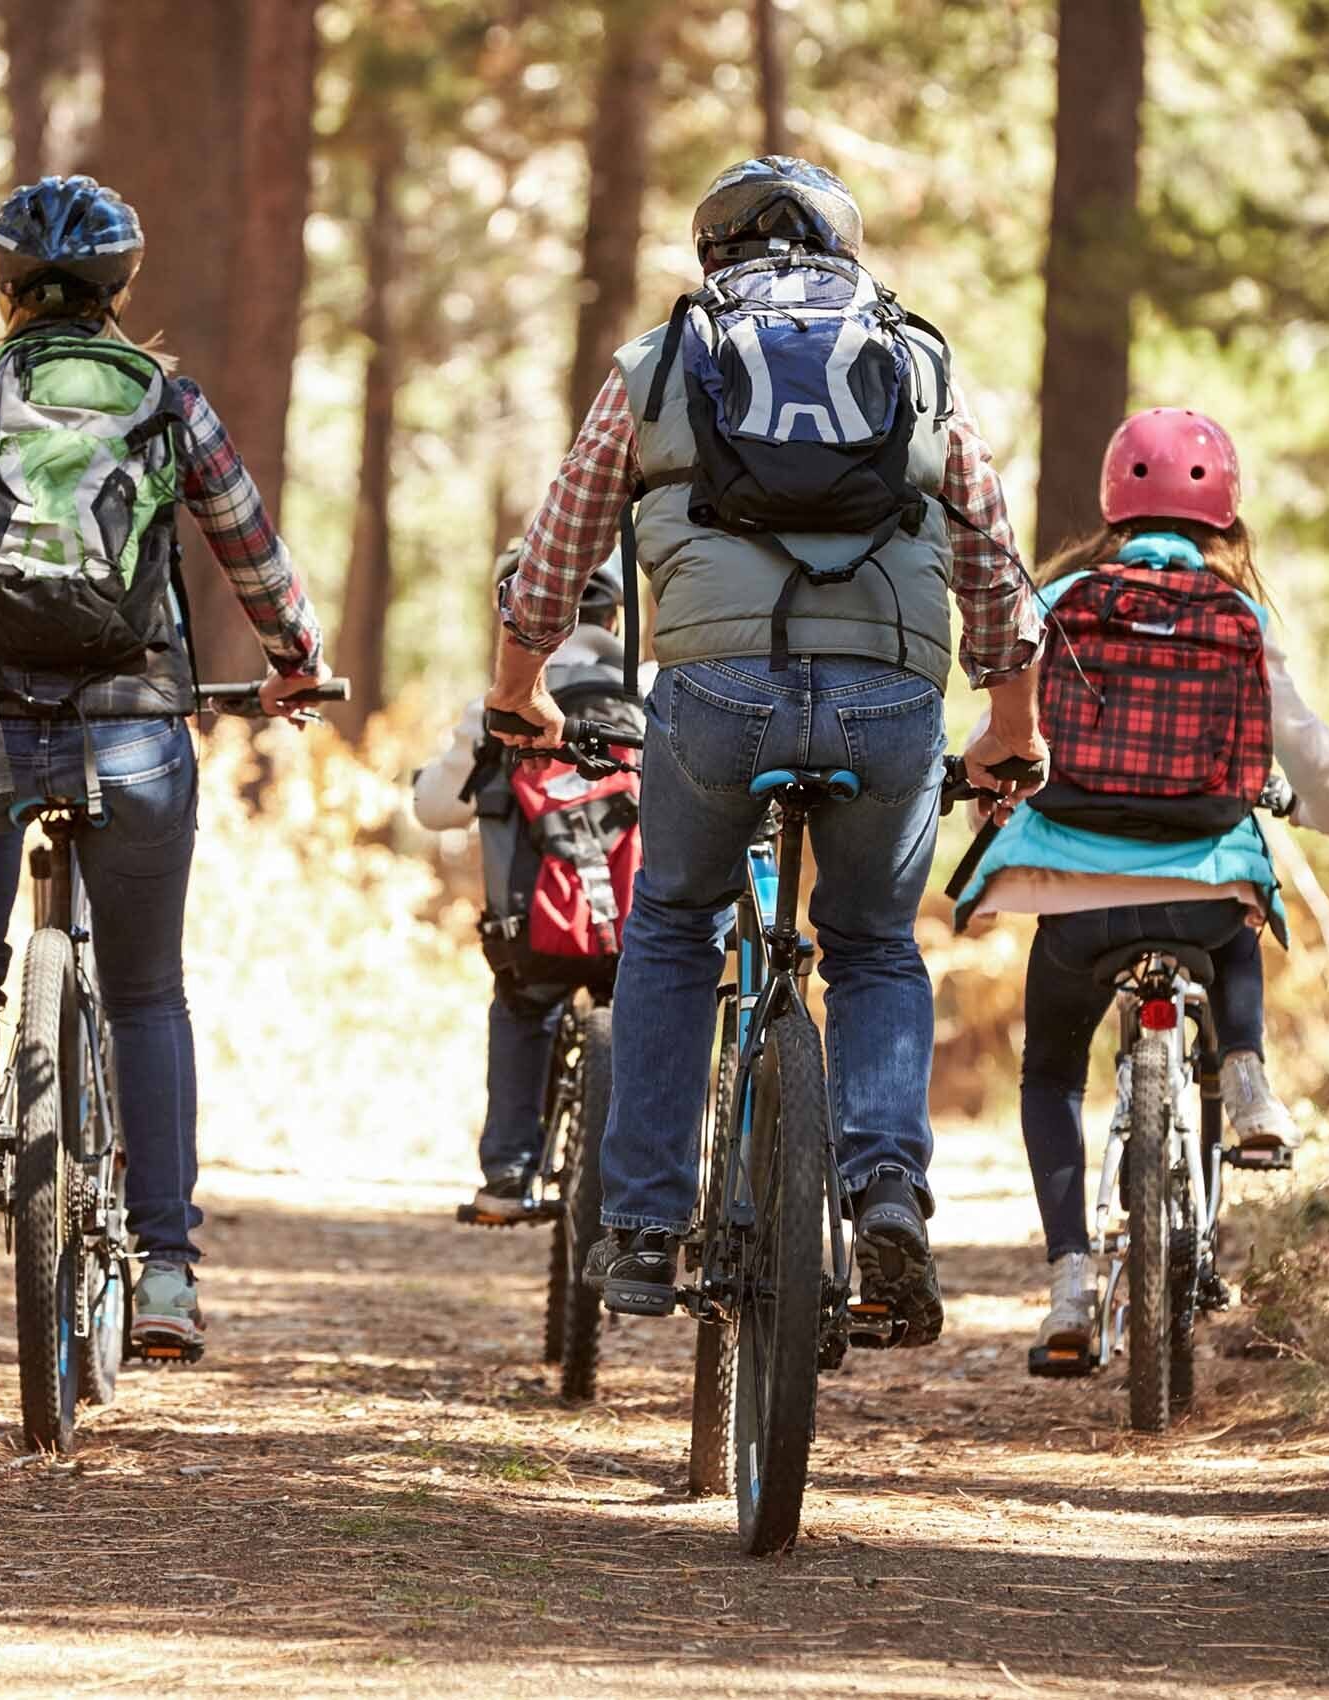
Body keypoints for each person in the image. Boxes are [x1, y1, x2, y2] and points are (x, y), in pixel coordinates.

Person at [488, 156, 1047, 1345]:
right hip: (891, 698)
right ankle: (887, 1185)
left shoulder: (661, 361)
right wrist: (1012, 720)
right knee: (876, 944)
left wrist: (517, 692)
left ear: (712, 255)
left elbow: (556, 553)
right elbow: (992, 553)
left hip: (716, 694)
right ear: (846, 252)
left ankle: (641, 1226)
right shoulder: (919, 359)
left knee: (674, 922)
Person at [0, 175, 330, 1357]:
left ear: (3, 288)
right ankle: (163, 1272)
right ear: (120, 291)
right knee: (149, 993)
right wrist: (295, 661)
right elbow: (251, 552)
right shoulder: (171, 405)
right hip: (135, 731)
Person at [948, 408, 1329, 1368]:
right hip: (1202, 882)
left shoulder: (1063, 599)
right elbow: (1312, 756)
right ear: (1226, 514)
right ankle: (1246, 1074)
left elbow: (1010, 729)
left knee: (1050, 1073)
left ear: (1112, 505)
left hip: (1076, 888)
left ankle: (1069, 1287)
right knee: (1238, 926)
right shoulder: (1240, 616)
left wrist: (978, 794)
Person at [411, 546, 641, 1221]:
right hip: (642, 926)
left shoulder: (498, 707)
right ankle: (655, 1191)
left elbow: (434, 809)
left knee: (522, 1004)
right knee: (656, 1013)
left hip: (534, 931)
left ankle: (509, 1175)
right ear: (614, 616)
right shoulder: (653, 688)